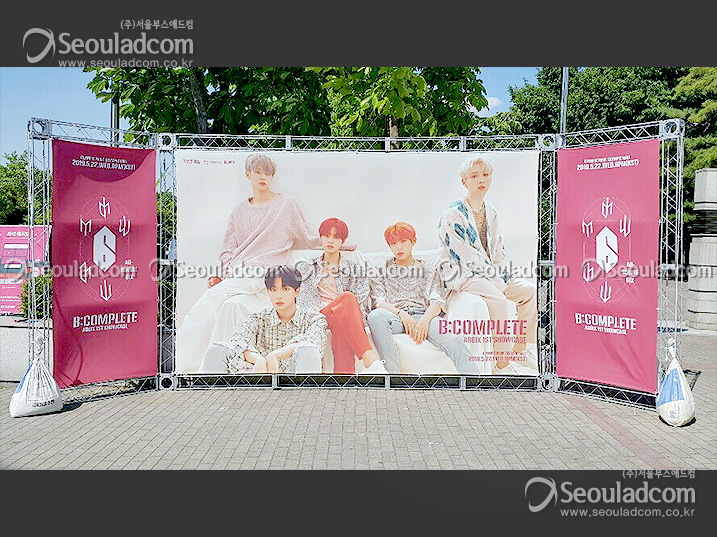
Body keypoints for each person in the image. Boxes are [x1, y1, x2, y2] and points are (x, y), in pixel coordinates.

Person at [175, 153, 354, 374]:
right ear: (248, 174)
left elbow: (308, 237)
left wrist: (342, 244)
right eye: (258, 172)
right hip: (242, 272)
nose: (263, 177)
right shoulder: (239, 212)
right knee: (230, 306)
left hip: (266, 273)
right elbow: (228, 247)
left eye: (268, 173)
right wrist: (220, 273)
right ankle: (211, 369)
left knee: (210, 299)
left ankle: (181, 362)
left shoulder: (286, 205)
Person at [437, 155, 537, 374]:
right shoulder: (452, 215)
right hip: (462, 274)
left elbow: (498, 250)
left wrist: (502, 275)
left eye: (485, 174)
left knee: (529, 291)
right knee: (499, 301)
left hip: (490, 273)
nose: (481, 179)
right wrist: (497, 282)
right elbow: (466, 257)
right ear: (464, 182)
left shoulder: (491, 212)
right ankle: (502, 364)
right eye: (474, 176)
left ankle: (520, 350)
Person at [367, 222, 482, 375]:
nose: (398, 247)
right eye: (393, 243)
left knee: (454, 340)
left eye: (403, 241)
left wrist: (425, 320)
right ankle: (393, 376)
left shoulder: (428, 270)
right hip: (395, 318)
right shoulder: (381, 270)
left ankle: (475, 381)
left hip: (424, 315)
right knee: (375, 316)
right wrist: (402, 314)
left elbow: (437, 301)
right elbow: (379, 302)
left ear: (413, 241)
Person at [296, 218, 388, 374]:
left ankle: (344, 378)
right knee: (347, 298)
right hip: (318, 315)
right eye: (326, 236)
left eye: (336, 237)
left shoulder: (354, 269)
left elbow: (361, 301)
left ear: (343, 241)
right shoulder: (307, 268)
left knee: (342, 311)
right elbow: (303, 301)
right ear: (320, 237)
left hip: (342, 316)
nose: (330, 241)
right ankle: (369, 359)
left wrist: (341, 311)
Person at [227, 265, 327, 374]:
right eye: (273, 290)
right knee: (219, 348)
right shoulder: (257, 319)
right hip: (262, 381)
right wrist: (258, 360)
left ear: (297, 291)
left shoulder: (313, 319)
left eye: (285, 289)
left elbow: (313, 341)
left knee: (307, 349)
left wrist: (275, 355)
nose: (278, 296)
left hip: (298, 381)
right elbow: (237, 342)